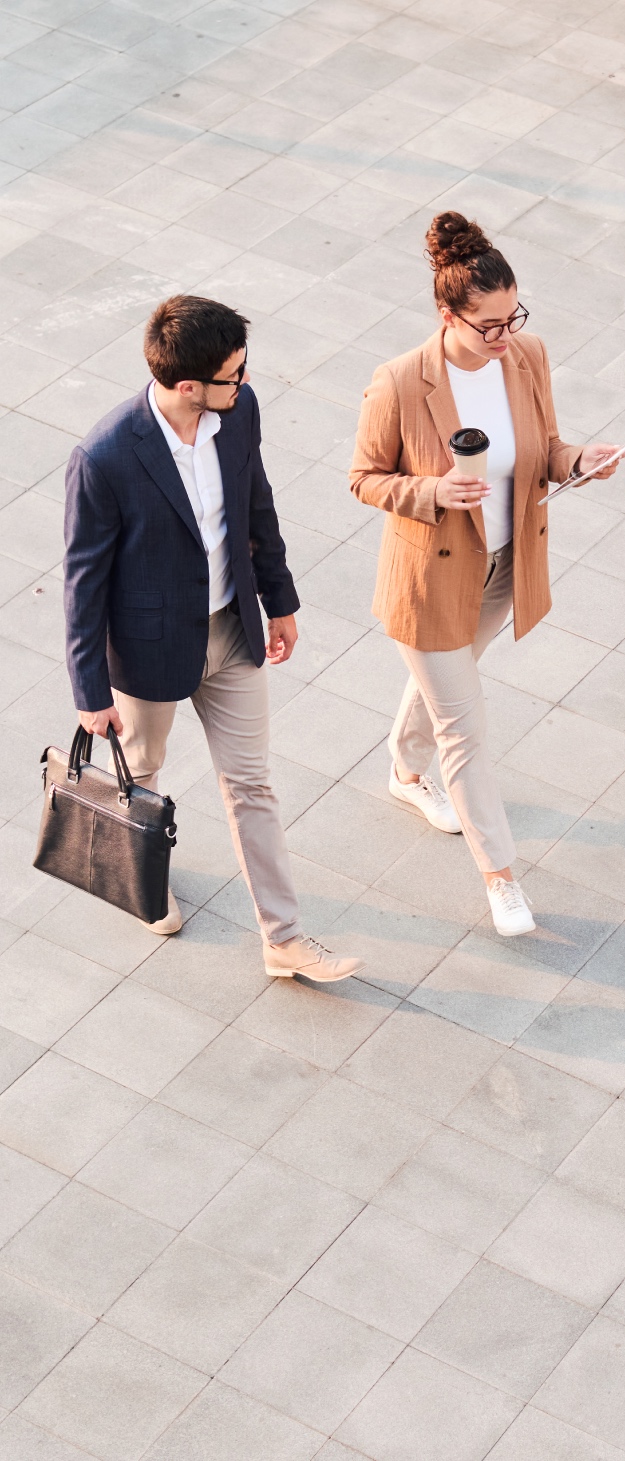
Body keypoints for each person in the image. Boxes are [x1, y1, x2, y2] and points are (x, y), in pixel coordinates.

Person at [63, 295, 362, 983]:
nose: (246, 381)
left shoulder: (238, 413)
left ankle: (283, 938)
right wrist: (89, 691)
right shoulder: (105, 456)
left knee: (251, 784)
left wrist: (279, 600)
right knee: (142, 774)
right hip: (147, 650)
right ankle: (144, 876)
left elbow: (257, 502)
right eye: (233, 373)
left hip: (231, 632)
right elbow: (83, 583)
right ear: (189, 385)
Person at [350, 212, 621, 936]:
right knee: (463, 729)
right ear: (447, 316)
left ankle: (402, 773)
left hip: (503, 569)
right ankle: (500, 876)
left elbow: (545, 448)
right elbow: (364, 479)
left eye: (512, 318)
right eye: (488, 326)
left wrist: (575, 461)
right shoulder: (402, 382)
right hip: (431, 578)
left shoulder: (526, 357)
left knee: (449, 683)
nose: (504, 337)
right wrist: (431, 491)